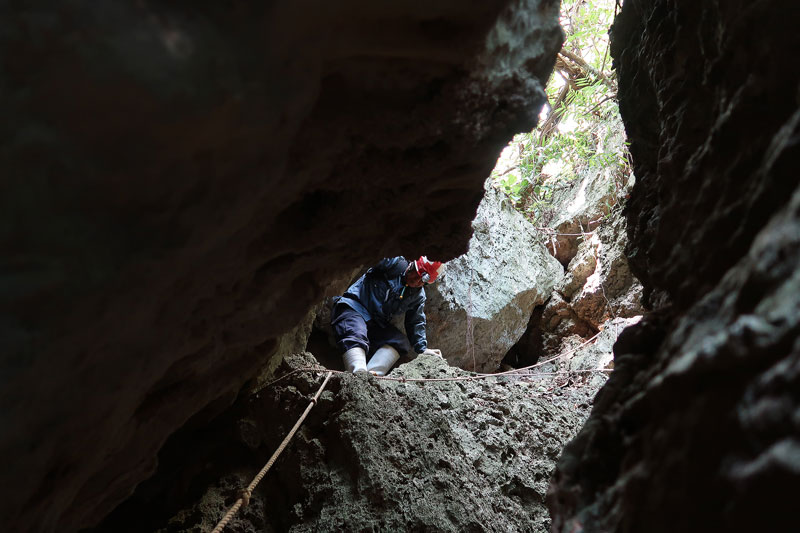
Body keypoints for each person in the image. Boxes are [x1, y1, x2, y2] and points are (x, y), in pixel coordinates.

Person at [331, 256, 444, 376]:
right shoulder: (394, 263)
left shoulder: (417, 296)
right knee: (356, 331)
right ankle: (358, 372)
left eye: (423, 281)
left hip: (374, 323)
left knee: (399, 342)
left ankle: (371, 378)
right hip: (353, 308)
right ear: (412, 266)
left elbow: (416, 321)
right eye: (417, 275)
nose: (417, 282)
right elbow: (373, 253)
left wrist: (422, 349)